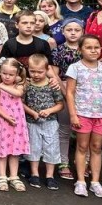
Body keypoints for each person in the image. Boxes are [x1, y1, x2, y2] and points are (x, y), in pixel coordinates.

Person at [66, 35, 102, 199]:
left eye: (96, 47)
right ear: (81, 50)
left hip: (101, 115)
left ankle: (95, 182)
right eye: (89, 47)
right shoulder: (75, 68)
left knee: (96, 147)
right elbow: (70, 92)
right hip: (83, 114)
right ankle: (81, 181)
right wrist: (73, 114)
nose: (93, 50)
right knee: (82, 147)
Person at [23, 55, 65, 190]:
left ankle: (49, 176)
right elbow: (21, 103)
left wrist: (49, 110)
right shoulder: (27, 85)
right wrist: (32, 112)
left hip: (50, 121)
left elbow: (60, 104)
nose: (36, 75)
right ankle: (34, 174)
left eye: (40, 72)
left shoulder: (52, 85)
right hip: (32, 121)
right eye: (32, 71)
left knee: (51, 147)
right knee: (33, 147)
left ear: (47, 69)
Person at [52, 18, 84, 181]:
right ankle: (63, 162)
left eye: (77, 30)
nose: (73, 33)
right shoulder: (58, 51)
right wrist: (66, 92)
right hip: (64, 89)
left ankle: (83, 161)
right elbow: (55, 74)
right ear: (63, 32)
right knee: (64, 129)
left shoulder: (87, 49)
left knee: (83, 130)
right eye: (69, 29)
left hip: (85, 92)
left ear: (82, 32)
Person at [0, 58, 30, 192]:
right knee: (2, 148)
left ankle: (14, 176)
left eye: (11, 74)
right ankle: (2, 176)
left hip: (17, 121)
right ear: (0, 72)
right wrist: (6, 117)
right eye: (4, 73)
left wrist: (1, 86)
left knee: (15, 149)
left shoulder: (18, 86)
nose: (7, 77)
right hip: (2, 120)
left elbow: (18, 93)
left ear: (17, 74)